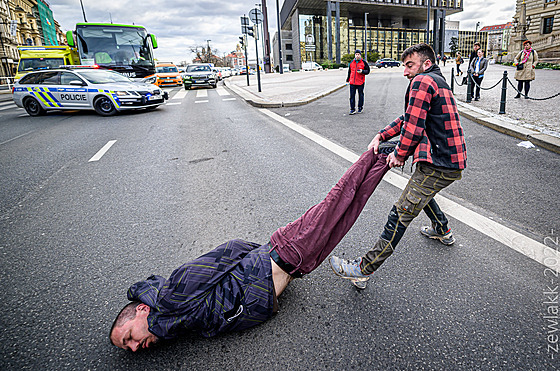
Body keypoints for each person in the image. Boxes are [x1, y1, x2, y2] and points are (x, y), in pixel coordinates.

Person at [110, 145, 396, 351]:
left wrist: (267, 256)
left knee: (338, 200)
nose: (135, 347)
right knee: (347, 214)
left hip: (285, 252)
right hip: (295, 264)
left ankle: (376, 153)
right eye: (129, 347)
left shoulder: (173, 295)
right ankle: (384, 159)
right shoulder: (174, 322)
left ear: (143, 311)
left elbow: (230, 249)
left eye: (129, 338)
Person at [329, 43, 467, 286]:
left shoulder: (423, 81)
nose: (405, 72)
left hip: (439, 162)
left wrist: (400, 153)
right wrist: (382, 135)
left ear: (425, 63)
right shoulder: (438, 80)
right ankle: (443, 230)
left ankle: (363, 269)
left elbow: (412, 127)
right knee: (422, 191)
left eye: (409, 65)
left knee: (401, 212)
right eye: (404, 66)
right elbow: (409, 118)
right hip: (450, 160)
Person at [346, 49, 370, 115]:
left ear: (360, 55)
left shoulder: (364, 63)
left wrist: (362, 71)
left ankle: (360, 107)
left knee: (360, 95)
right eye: (356, 54)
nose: (357, 55)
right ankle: (352, 109)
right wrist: (347, 80)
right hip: (352, 82)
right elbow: (349, 72)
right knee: (352, 96)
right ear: (354, 55)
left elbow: (368, 71)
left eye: (358, 54)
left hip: (360, 82)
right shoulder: (351, 63)